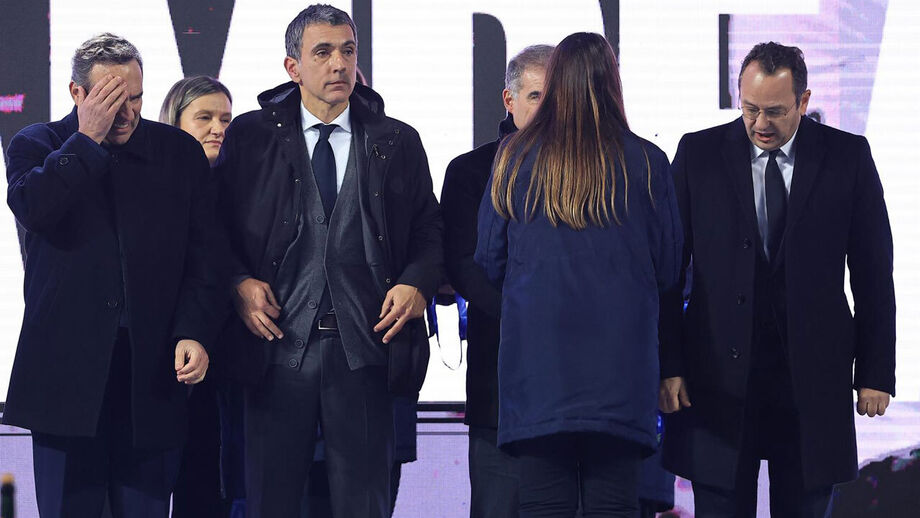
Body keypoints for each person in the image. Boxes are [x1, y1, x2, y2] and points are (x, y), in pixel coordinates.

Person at [216, 5, 442, 517]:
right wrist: (237, 282)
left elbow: (431, 231)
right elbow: (212, 229)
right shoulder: (250, 137)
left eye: (348, 50)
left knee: (365, 505)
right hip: (275, 351)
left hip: (366, 350)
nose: (339, 64)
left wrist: (417, 284)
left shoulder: (396, 140)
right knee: (270, 504)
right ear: (292, 67)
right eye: (323, 52)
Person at [658, 42, 895, 517]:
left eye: (776, 111)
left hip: (811, 387)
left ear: (804, 103)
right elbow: (667, 272)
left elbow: (873, 273)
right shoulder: (697, 154)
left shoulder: (848, 157)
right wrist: (668, 365)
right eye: (750, 109)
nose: (761, 124)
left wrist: (875, 372)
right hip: (716, 385)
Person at [2, 33, 225, 518]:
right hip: (65, 382)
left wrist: (194, 331)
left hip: (151, 376)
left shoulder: (178, 153)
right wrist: (87, 141)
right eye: (110, 100)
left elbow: (206, 258)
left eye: (136, 99)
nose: (126, 113)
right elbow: (35, 209)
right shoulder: (38, 144)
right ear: (77, 94)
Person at [475, 32, 682, 517]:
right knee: (614, 505)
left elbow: (489, 260)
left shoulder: (512, 158)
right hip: (622, 377)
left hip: (537, 376)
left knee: (544, 506)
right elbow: (670, 270)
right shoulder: (647, 163)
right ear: (612, 83)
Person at [442, 43, 553, 518]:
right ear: (509, 101)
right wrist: (526, 315)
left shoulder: (602, 170)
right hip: (500, 382)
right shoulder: (470, 171)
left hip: (581, 389)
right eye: (536, 97)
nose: (550, 111)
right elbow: (464, 265)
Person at [159, 75, 236, 518]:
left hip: (221, 368)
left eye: (225, 118)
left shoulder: (239, 186)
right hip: (160, 361)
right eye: (204, 117)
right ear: (174, 121)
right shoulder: (152, 188)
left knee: (206, 487)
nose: (218, 128)